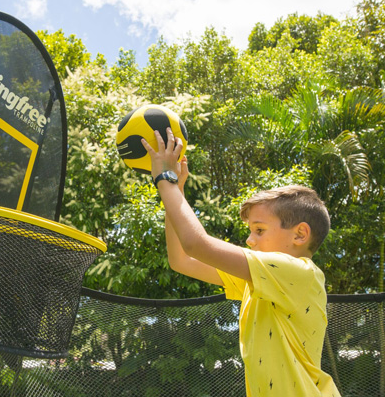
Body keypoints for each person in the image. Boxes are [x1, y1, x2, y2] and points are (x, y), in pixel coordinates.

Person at [142, 128, 341, 397]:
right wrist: (175, 190)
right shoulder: (261, 281)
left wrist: (164, 179)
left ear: (300, 234)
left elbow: (196, 244)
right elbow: (182, 259)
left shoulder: (299, 272)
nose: (249, 240)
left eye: (259, 230)